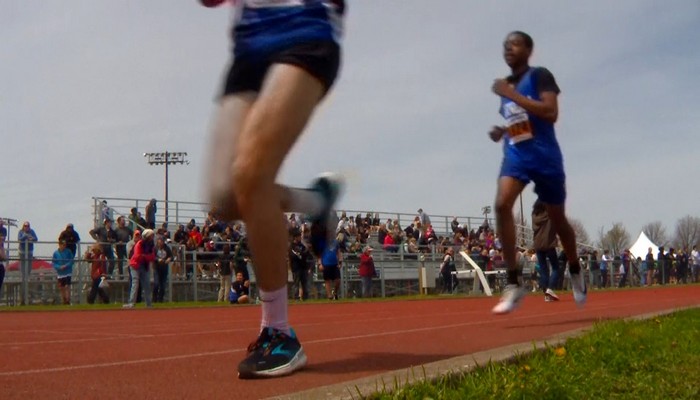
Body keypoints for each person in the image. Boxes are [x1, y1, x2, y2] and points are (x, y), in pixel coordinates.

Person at [199, 0, 346, 379]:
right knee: (225, 198)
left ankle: (279, 333)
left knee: (251, 174)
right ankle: (317, 201)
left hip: (303, 26)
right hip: (249, 43)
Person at [489, 31, 586, 314]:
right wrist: (503, 131)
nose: (509, 48)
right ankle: (513, 281)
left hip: (545, 157)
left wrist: (512, 95)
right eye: (505, 44)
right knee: (501, 204)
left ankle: (576, 268)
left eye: (515, 43)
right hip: (517, 156)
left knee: (558, 220)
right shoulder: (506, 87)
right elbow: (522, 122)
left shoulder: (540, 76)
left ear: (529, 50)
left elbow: (549, 112)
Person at [531, 199, 560, 302]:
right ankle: (550, 288)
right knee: (556, 267)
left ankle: (546, 294)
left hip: (538, 244)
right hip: (548, 243)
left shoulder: (534, 215)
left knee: (544, 269)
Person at [124, 229, 156, 309]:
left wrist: (144, 256)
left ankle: (149, 304)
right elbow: (138, 256)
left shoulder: (151, 244)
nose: (152, 237)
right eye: (151, 236)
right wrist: (146, 257)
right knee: (135, 283)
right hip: (135, 265)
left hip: (144, 266)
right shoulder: (140, 243)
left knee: (147, 285)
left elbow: (152, 257)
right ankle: (131, 303)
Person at [289, 231, 311, 301]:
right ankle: (296, 297)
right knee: (296, 283)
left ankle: (305, 297)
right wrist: (301, 254)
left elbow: (306, 254)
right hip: (296, 268)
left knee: (304, 283)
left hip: (303, 267)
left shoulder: (302, 245)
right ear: (295, 237)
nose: (299, 238)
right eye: (298, 237)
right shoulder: (292, 246)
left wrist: (303, 253)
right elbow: (293, 256)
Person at [51, 240, 74, 305]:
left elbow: (71, 260)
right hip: (60, 273)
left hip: (68, 272)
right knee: (62, 287)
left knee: (67, 286)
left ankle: (68, 300)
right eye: (63, 245)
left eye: (65, 245)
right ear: (60, 245)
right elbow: (54, 263)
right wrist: (59, 267)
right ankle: (64, 299)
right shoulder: (55, 253)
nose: (64, 246)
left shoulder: (68, 251)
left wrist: (66, 265)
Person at [153, 236, 173, 303]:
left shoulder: (167, 248)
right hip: (157, 268)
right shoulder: (155, 248)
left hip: (164, 268)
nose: (160, 244)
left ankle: (160, 300)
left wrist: (169, 259)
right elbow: (152, 256)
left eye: (161, 242)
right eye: (159, 242)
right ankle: (154, 299)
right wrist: (158, 259)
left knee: (163, 285)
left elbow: (171, 256)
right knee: (156, 284)